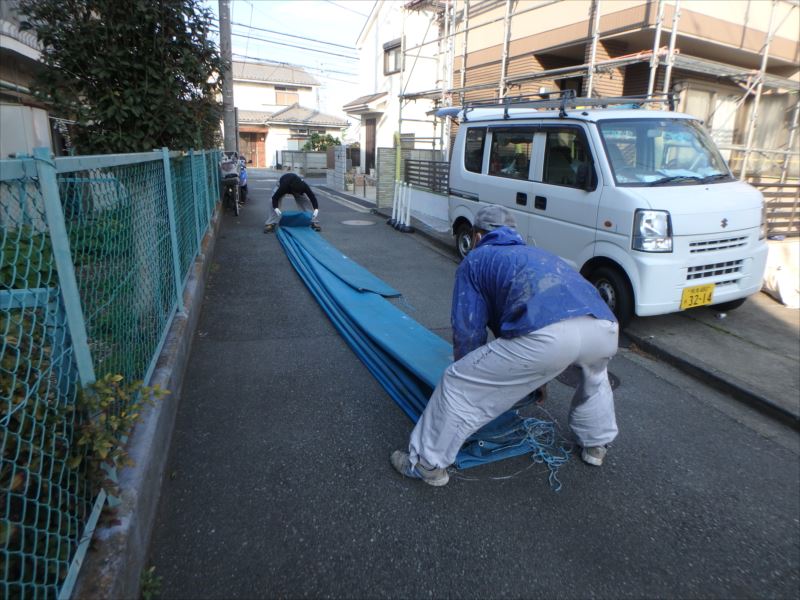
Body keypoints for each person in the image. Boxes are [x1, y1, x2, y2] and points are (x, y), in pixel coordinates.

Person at [390, 205, 619, 486]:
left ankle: (425, 464)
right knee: (595, 379)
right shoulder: (537, 254)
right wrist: (536, 377)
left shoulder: (477, 259)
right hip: (604, 327)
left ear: (477, 236)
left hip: (548, 337)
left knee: (457, 384)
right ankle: (596, 445)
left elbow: (469, 329)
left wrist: (469, 369)